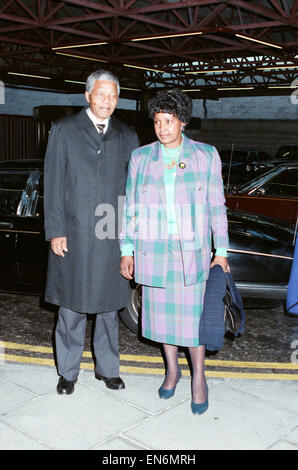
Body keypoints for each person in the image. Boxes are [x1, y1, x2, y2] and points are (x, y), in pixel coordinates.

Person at [120, 88, 229, 414]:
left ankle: (199, 377)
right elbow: (130, 209)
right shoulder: (141, 158)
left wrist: (220, 250)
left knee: (192, 322)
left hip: (191, 254)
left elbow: (217, 206)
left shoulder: (206, 155)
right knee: (164, 321)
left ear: (182, 122)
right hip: (153, 251)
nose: (162, 128)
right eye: (157, 121)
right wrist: (127, 250)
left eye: (169, 121)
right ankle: (172, 370)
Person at [44, 70, 139, 395]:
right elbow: (53, 183)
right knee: (71, 306)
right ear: (87, 96)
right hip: (74, 233)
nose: (107, 101)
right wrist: (55, 230)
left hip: (112, 232)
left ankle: (107, 369)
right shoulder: (65, 130)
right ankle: (67, 373)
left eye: (112, 96)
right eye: (100, 94)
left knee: (110, 307)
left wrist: (131, 241)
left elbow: (133, 192)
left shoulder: (127, 135)